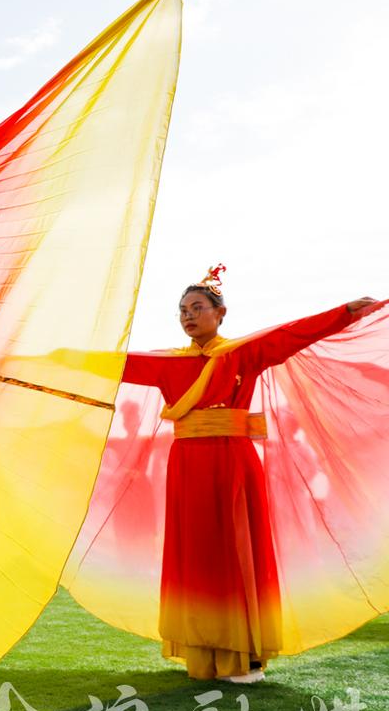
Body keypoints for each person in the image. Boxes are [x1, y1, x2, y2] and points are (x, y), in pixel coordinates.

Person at [73, 266, 380, 683]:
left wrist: (343, 313)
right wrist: (37, 359)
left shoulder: (240, 354)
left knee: (237, 551)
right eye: (182, 309)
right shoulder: (167, 365)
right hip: (187, 465)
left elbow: (290, 334)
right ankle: (203, 654)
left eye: (198, 307)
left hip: (233, 460)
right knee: (198, 554)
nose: (188, 315)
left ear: (221, 313)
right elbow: (109, 365)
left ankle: (244, 656)